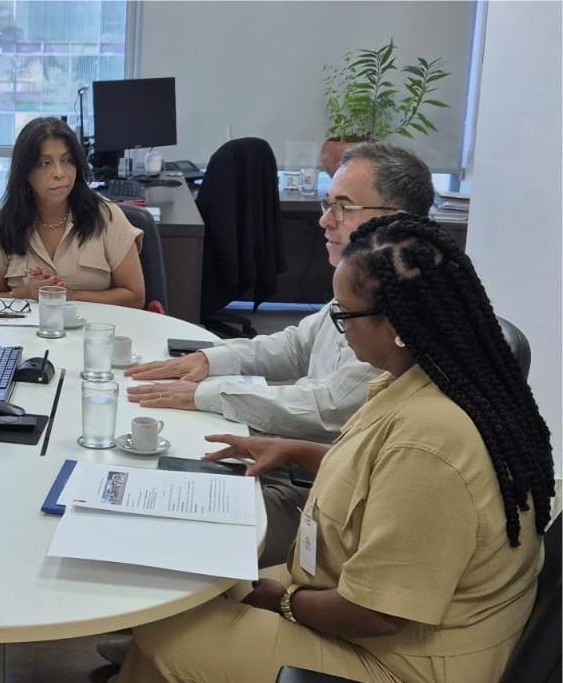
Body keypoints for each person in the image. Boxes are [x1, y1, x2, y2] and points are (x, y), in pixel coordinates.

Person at [57, 214, 555, 683]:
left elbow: (376, 614)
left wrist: (281, 600)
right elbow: (383, 482)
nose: (337, 328)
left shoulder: (433, 441)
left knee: (170, 631)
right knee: (190, 587)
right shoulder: (428, 383)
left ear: (397, 326)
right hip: (392, 635)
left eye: (346, 316)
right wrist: (296, 452)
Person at [124, 142, 435, 565]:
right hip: (289, 458)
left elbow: (325, 407)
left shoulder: (396, 321)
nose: (325, 220)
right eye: (328, 203)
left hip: (320, 495)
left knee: (158, 522)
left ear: (393, 220)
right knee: (151, 470)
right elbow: (295, 345)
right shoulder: (363, 286)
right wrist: (209, 360)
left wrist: (204, 393)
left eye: (343, 207)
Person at [0, 116, 146, 308]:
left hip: (97, 326)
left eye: (67, 161)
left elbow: (135, 297)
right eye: (45, 163)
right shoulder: (3, 224)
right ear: (25, 172)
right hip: (28, 328)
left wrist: (70, 296)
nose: (59, 173)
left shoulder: (107, 216)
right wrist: (27, 293)